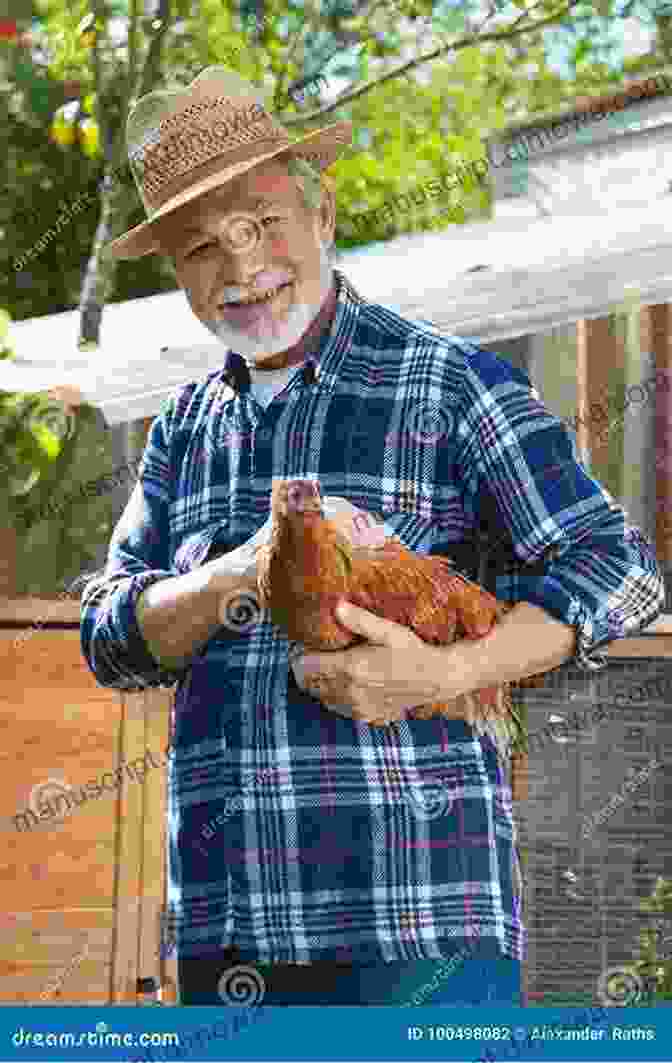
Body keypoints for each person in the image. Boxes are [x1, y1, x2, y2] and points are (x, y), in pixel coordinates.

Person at [81, 65, 665, 1007]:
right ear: (177, 273)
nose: (239, 266)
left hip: (413, 926)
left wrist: (447, 675)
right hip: (228, 937)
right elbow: (108, 638)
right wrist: (238, 575)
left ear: (323, 213)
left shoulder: (446, 384)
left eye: (262, 225)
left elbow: (620, 567)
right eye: (200, 247)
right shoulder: (181, 430)